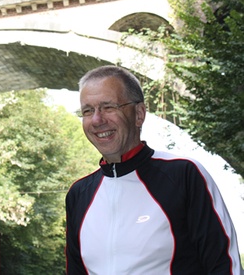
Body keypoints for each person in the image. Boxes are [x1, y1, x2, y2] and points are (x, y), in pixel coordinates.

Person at [65, 65, 243, 274]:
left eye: (109, 107)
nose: (97, 120)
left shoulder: (184, 175)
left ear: (139, 114)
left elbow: (224, 265)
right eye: (88, 111)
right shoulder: (79, 194)